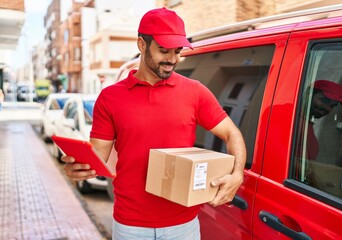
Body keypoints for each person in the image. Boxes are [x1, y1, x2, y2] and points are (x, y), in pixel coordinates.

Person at [62, 7, 247, 240]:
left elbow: (233, 135)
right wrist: (80, 168)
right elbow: (98, 157)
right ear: (141, 44)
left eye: (177, 51)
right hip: (130, 226)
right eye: (163, 50)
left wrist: (237, 174)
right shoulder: (110, 98)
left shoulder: (195, 92)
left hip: (184, 225)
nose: (172, 59)